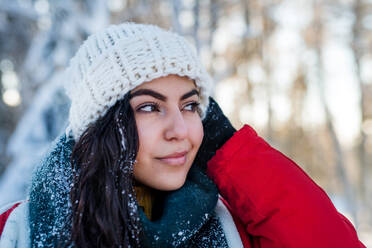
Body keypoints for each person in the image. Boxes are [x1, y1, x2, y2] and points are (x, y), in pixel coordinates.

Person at [0, 23, 366, 248]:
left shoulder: (234, 227)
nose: (182, 131)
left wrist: (229, 150)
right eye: (149, 106)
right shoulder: (16, 231)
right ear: (101, 126)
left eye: (190, 106)